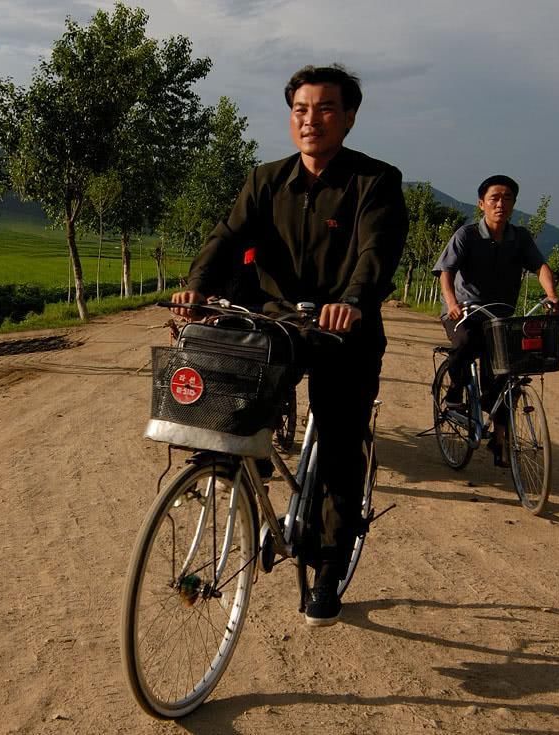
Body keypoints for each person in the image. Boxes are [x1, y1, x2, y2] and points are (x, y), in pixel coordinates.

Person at [171, 64, 407, 626]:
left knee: (341, 446)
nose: (311, 120)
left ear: (348, 118)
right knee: (228, 399)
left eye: (325, 109)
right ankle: (232, 473)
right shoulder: (265, 180)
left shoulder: (375, 182)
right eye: (301, 109)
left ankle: (328, 568)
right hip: (276, 323)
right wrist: (199, 286)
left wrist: (352, 299)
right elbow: (227, 237)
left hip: (343, 332)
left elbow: (376, 252)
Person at [432, 174, 559, 465]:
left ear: (513, 204)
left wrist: (551, 295)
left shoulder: (520, 238)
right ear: (481, 204)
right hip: (466, 310)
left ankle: (500, 437)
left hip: (501, 315)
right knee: (466, 340)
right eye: (494, 198)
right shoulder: (466, 235)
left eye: (507, 198)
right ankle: (454, 393)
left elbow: (540, 266)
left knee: (507, 371)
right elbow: (447, 272)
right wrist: (451, 303)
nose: (500, 203)